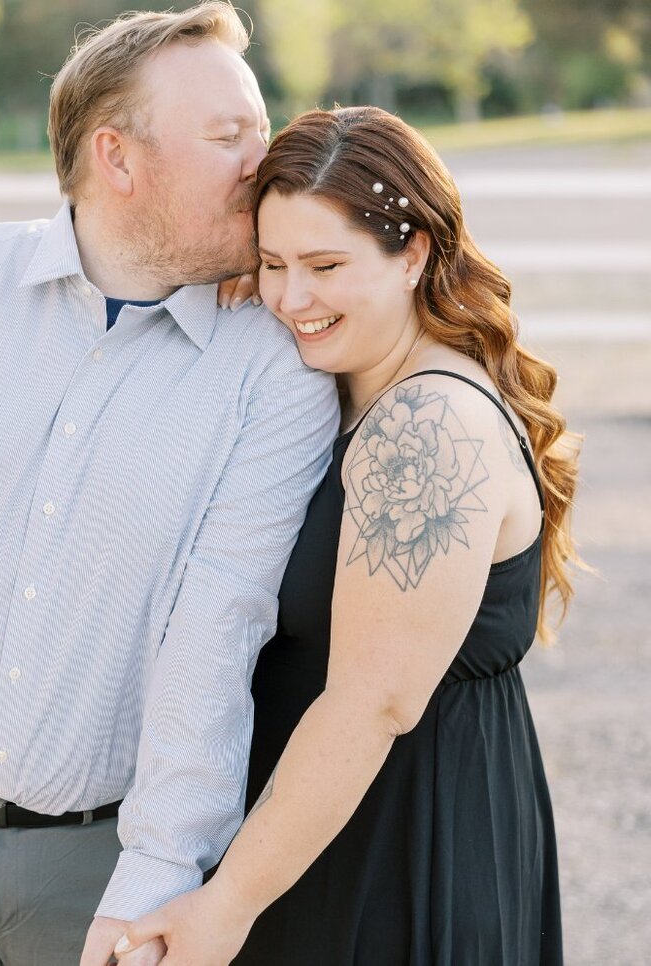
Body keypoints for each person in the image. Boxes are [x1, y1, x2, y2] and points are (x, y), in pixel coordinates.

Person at [0, 5, 339, 965]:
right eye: (229, 134)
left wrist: (157, 880)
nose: (267, 158)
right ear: (119, 159)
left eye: (264, 128)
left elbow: (219, 629)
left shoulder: (276, 369)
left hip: (95, 875)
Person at [112, 106, 580, 966]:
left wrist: (227, 904)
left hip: (401, 848)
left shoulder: (427, 424)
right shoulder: (355, 379)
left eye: (327, 265)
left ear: (415, 255)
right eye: (274, 263)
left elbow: (375, 702)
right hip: (327, 832)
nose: (293, 298)